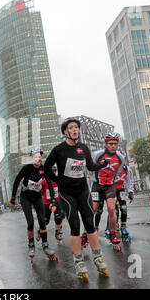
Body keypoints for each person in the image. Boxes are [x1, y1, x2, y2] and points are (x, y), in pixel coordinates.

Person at [44, 118, 109, 282]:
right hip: (67, 193)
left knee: (90, 223)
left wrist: (102, 164)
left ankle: (98, 258)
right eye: (71, 128)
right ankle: (79, 262)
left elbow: (90, 166)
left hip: (82, 190)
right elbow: (46, 168)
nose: (75, 130)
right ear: (65, 132)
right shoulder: (59, 150)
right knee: (75, 225)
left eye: (76, 127)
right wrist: (57, 180)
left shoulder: (83, 148)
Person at [10, 148, 58, 262]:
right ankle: (31, 245)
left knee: (42, 220)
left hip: (37, 197)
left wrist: (53, 200)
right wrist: (13, 197)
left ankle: (45, 244)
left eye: (40, 157)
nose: (39, 159)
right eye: (36, 157)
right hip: (25, 197)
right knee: (30, 222)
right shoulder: (27, 168)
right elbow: (17, 181)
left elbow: (50, 185)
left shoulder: (44, 169)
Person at [83, 132, 125, 252]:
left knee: (112, 209)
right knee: (93, 210)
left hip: (110, 185)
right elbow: (89, 167)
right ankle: (86, 234)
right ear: (105, 144)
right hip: (97, 185)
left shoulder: (120, 157)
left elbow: (118, 172)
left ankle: (112, 234)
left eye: (115, 144)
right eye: (110, 144)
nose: (113, 146)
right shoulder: (97, 154)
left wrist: (111, 181)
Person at [37, 165, 65, 244]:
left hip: (57, 201)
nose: (54, 174)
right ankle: (40, 230)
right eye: (52, 172)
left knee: (58, 218)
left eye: (55, 172)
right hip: (46, 202)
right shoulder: (44, 181)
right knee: (46, 221)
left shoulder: (58, 180)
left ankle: (58, 233)